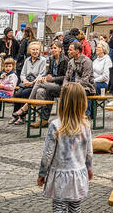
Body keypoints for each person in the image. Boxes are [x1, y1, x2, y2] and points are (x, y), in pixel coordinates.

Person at [38, 82, 93, 213]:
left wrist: (42, 173)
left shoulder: (56, 125)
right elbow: (89, 152)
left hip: (60, 176)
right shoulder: (85, 126)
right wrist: (89, 168)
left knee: (59, 208)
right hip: (78, 174)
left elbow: (47, 154)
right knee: (75, 208)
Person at [28, 40, 69, 129]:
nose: (53, 50)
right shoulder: (51, 59)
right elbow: (49, 73)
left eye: (55, 48)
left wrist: (53, 78)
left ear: (60, 49)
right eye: (52, 48)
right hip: (51, 85)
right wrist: (48, 76)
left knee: (38, 82)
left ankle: (27, 106)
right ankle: (42, 119)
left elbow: (66, 77)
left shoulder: (65, 60)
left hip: (61, 86)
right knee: (40, 91)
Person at [10, 41, 48, 124]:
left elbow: (42, 74)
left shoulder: (43, 60)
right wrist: (24, 80)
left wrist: (32, 83)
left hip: (35, 84)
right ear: (29, 51)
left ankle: (22, 117)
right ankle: (15, 116)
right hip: (26, 82)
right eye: (33, 49)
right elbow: (23, 73)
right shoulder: (27, 60)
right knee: (17, 94)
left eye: (37, 50)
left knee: (24, 93)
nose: (35, 51)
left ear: (39, 51)